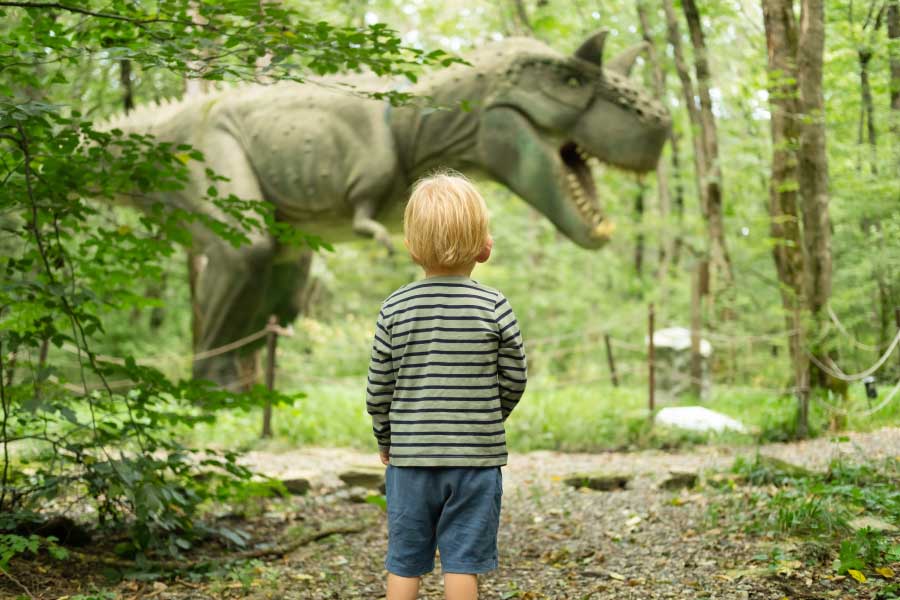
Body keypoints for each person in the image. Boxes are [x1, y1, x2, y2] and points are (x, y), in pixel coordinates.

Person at [365, 171, 528, 600]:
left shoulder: (395, 309)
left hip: (410, 460)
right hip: (476, 461)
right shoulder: (494, 306)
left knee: (404, 560)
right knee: (462, 563)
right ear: (484, 246)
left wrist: (387, 437)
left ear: (411, 246)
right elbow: (515, 377)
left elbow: (378, 387)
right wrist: (486, 417)